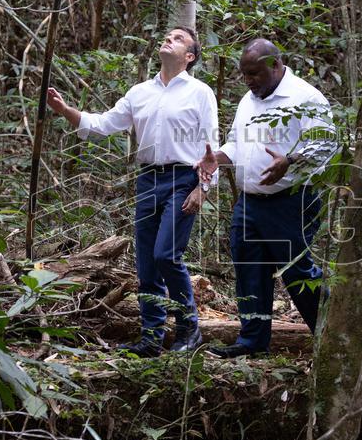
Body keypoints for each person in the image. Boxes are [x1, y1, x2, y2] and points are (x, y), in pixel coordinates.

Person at [47, 27, 218, 357]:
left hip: (184, 177)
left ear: (190, 56)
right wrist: (66, 111)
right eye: (168, 36)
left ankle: (189, 328)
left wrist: (204, 187)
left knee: (166, 255)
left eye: (178, 39)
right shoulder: (140, 92)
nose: (169, 39)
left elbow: (212, 146)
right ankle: (151, 338)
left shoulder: (199, 92)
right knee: (146, 265)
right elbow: (103, 124)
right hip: (148, 180)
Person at [196, 39, 334, 358]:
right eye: (244, 74)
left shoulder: (306, 97)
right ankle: (252, 342)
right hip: (250, 203)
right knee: (249, 269)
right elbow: (236, 144)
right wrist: (218, 157)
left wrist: (290, 160)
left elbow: (326, 145)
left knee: (297, 273)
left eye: (254, 73)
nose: (248, 80)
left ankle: (329, 339)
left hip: (291, 201)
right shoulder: (249, 100)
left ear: (274, 65)